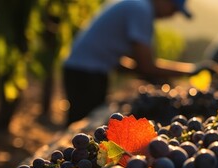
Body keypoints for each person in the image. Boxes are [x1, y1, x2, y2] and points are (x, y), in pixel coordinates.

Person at [61, 0, 198, 125]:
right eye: (173, 9)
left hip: (83, 68)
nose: (171, 15)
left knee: (81, 126)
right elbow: (146, 66)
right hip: (86, 73)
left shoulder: (135, 5)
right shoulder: (141, 10)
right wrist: (192, 71)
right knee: (83, 127)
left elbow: (129, 63)